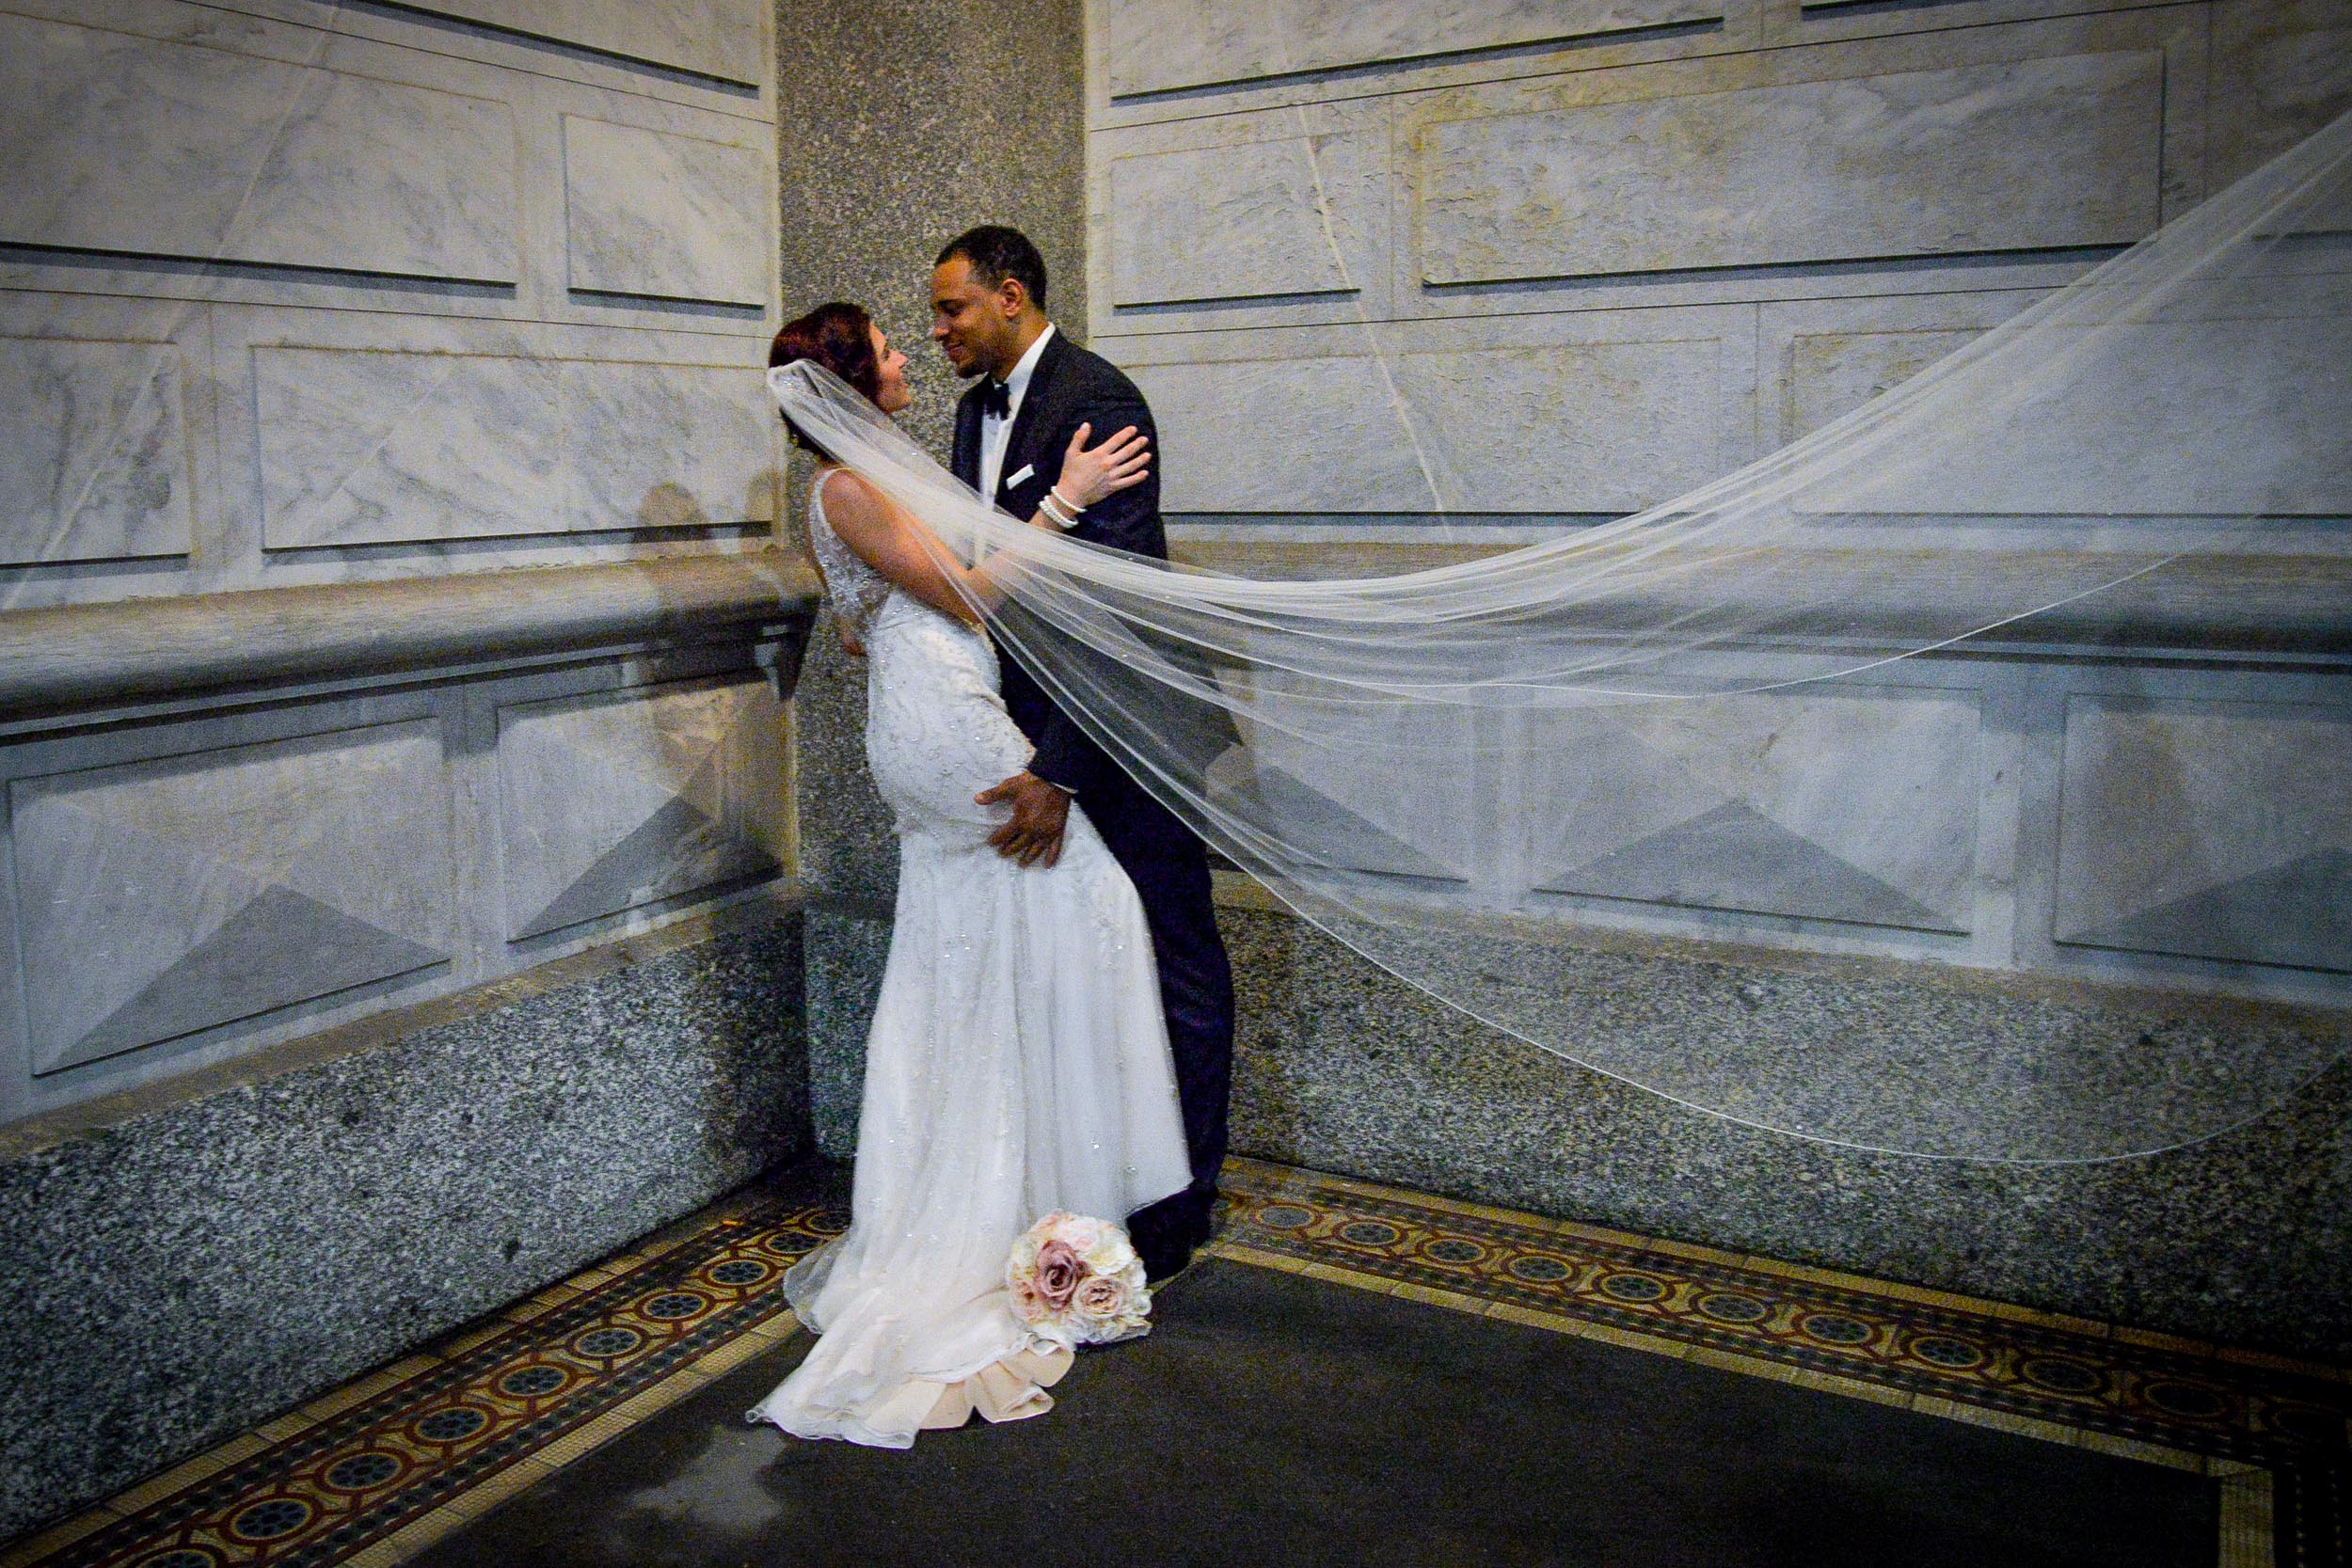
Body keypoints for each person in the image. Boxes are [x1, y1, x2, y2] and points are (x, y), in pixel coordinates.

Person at [743, 302, 1191, 1448]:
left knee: (996, 936)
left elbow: (856, 623)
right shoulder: (849, 485)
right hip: (949, 728)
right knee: (1086, 903)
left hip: (928, 710)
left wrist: (911, 620)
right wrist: (1065, 503)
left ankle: (1021, 1188)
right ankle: (1031, 1196)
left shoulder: (859, 482)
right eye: (887, 347)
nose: (907, 356)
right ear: (847, 381)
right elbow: (975, 593)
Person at [931, 226, 1237, 1283]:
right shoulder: (974, 410)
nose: (939, 333)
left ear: (1010, 296)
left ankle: (1183, 1203)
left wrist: (1060, 769)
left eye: (952, 311)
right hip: (1038, 731)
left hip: (1132, 733)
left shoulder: (1099, 398)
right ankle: (1101, 1181)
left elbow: (1115, 614)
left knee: (1173, 954)